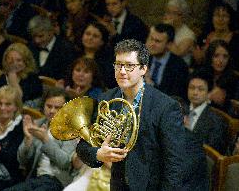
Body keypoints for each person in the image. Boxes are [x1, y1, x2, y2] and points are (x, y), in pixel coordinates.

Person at [76, 39, 207, 190]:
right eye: (118, 65)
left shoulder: (166, 106)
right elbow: (83, 147)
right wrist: (99, 154)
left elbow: (174, 166)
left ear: (144, 69)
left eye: (130, 66)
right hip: (117, 185)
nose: (122, 71)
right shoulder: (106, 99)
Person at [3, 88, 78, 191]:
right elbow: (22, 161)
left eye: (57, 108)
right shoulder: (38, 124)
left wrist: (45, 140)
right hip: (35, 179)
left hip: (57, 181)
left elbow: (65, 162)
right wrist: (27, 140)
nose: (52, 111)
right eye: (49, 106)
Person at [0, 42, 43, 107]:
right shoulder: (3, 77)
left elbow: (19, 103)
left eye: (19, 60)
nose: (14, 63)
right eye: (11, 60)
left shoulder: (33, 78)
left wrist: (12, 78)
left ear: (26, 61)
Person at [186, 69, 228, 154]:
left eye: (200, 89)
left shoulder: (216, 122)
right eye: (192, 88)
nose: (195, 92)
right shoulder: (179, 110)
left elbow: (210, 156)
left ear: (208, 92)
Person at [145, 23, 189, 100]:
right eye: (151, 39)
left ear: (169, 44)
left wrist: (150, 84)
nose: (152, 44)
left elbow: (175, 97)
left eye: (157, 41)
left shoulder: (179, 66)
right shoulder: (141, 59)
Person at [28, 15, 76, 81]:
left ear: (51, 32)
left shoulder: (66, 49)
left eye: (41, 36)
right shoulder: (30, 46)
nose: (37, 40)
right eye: (34, 37)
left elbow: (67, 77)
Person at [163, 0, 195, 66]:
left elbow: (177, 54)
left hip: (178, 69)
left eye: (173, 13)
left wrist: (169, 30)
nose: (169, 16)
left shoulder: (189, 34)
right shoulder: (161, 28)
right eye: (168, 12)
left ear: (182, 16)